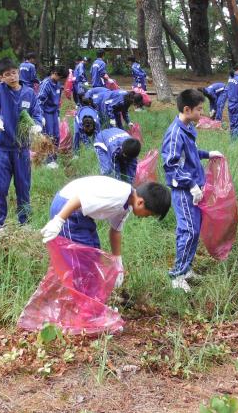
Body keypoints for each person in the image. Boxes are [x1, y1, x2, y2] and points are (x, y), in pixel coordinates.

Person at [40, 176, 171, 287]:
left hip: (82, 214)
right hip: (68, 208)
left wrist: (117, 261)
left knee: (93, 254)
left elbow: (115, 231)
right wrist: (59, 220)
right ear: (141, 202)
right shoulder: (119, 196)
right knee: (83, 263)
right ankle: (83, 307)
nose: (145, 217)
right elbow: (79, 199)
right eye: (148, 214)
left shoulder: (127, 203)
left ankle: (88, 300)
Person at [161, 89, 223, 292]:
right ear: (187, 110)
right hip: (184, 192)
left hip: (195, 189)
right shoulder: (175, 133)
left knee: (195, 231)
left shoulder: (188, 128)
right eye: (199, 109)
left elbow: (191, 153)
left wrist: (207, 154)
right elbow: (171, 165)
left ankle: (186, 268)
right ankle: (177, 275)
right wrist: (190, 184)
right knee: (187, 231)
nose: (202, 113)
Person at [0, 57, 43, 231]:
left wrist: (37, 125)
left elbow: (37, 113)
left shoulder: (29, 93)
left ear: (18, 72)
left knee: (23, 186)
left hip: (21, 148)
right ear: (1, 77)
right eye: (7, 75)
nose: (12, 77)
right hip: (1, 147)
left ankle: (24, 221)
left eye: (14, 72)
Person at [38, 65, 67, 168]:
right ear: (53, 73)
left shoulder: (58, 84)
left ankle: (54, 157)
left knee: (57, 136)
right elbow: (39, 101)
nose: (60, 78)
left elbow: (58, 101)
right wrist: (41, 117)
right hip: (46, 113)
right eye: (59, 76)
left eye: (61, 77)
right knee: (49, 136)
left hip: (54, 112)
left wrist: (58, 113)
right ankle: (48, 160)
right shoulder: (46, 84)